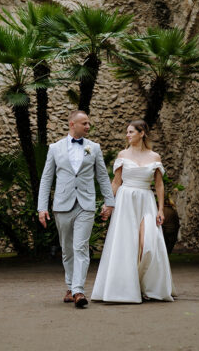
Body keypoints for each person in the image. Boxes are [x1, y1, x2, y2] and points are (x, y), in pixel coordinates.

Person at [37, 110, 115, 308]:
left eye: (89, 123)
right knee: (67, 250)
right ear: (72, 124)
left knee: (81, 247)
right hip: (62, 205)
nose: (88, 126)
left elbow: (103, 177)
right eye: (84, 123)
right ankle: (70, 286)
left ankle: (79, 290)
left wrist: (109, 202)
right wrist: (41, 208)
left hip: (86, 204)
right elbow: (47, 178)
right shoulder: (55, 148)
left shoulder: (94, 148)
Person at [92, 119, 175, 303]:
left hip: (146, 200)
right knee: (127, 244)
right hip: (125, 200)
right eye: (127, 132)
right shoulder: (123, 154)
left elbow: (159, 185)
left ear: (142, 133)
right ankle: (128, 287)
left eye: (131, 132)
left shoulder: (155, 157)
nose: (127, 135)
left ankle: (148, 285)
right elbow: (116, 182)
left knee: (148, 245)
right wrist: (107, 204)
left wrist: (161, 209)